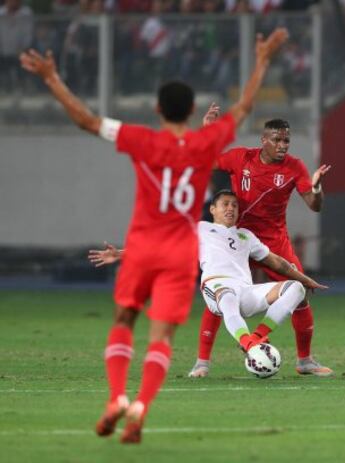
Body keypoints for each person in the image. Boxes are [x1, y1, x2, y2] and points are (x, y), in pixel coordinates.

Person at [19, 27, 288, 444]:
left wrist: (52, 78)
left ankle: (117, 397)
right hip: (180, 253)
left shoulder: (140, 139)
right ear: (191, 109)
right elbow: (245, 105)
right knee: (161, 336)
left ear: (159, 109)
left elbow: (86, 121)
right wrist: (263, 59)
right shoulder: (204, 143)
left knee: (125, 319)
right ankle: (141, 406)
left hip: (144, 245)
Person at [89, 190, 327, 356]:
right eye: (225, 204)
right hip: (217, 288)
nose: (231, 209)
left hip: (246, 291)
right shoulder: (200, 228)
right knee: (229, 296)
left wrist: (306, 280)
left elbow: (278, 263)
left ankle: (254, 339)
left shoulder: (246, 236)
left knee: (295, 288)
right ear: (212, 209)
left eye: (234, 205)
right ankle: (249, 345)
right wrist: (121, 254)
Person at [189, 116, 333, 378]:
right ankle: (202, 363)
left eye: (286, 140)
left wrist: (317, 188)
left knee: (300, 296)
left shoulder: (294, 167)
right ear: (263, 140)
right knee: (221, 297)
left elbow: (315, 205)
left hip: (274, 241)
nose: (283, 145)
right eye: (277, 140)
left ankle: (304, 361)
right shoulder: (241, 158)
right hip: (237, 238)